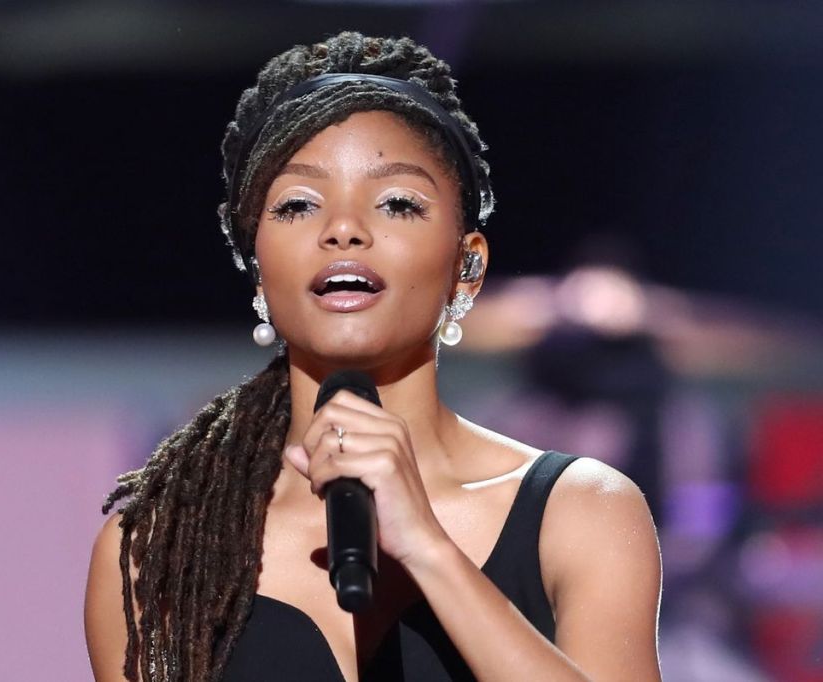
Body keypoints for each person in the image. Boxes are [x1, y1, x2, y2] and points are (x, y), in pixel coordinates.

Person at [84, 32, 662, 682]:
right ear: (257, 271)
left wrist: (429, 549)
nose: (344, 230)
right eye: (298, 205)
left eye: (397, 203)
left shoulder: (583, 511)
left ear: (467, 268)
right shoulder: (158, 549)